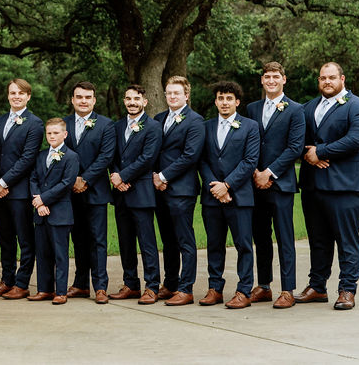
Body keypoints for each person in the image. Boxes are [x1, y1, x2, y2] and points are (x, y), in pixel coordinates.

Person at [296, 62, 359, 310]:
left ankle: (347, 289)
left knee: (346, 240)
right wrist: (308, 154)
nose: (327, 82)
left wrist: (322, 152)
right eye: (322, 78)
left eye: (331, 77)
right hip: (313, 185)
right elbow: (296, 140)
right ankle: (317, 286)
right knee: (318, 239)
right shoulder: (308, 107)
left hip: (346, 185)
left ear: (342, 78)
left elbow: (356, 139)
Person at [244, 62, 305, 309]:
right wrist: (255, 174)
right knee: (260, 235)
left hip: (281, 184)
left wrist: (269, 173)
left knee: (284, 236)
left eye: (276, 77)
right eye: (267, 76)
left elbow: (295, 148)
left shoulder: (296, 110)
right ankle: (264, 285)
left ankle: (287, 289)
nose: (271, 80)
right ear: (262, 80)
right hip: (255, 183)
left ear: (284, 79)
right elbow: (246, 141)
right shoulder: (251, 108)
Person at [198, 81, 259, 309]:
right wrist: (216, 187)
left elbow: (250, 160)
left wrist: (228, 186)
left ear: (237, 102)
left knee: (243, 244)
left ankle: (244, 290)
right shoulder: (205, 127)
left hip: (240, 197)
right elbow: (201, 159)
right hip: (212, 197)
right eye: (221, 98)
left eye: (229, 99)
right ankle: (215, 288)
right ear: (216, 101)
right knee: (214, 244)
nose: (225, 103)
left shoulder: (250, 127)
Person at [0, 78, 43, 300]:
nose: (16, 96)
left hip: (19, 191)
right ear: (8, 96)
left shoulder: (35, 123)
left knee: (25, 239)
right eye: (13, 93)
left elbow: (28, 158)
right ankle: (6, 279)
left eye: (21, 93)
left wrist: (4, 182)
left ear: (28, 96)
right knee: (5, 238)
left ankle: (22, 283)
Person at [108, 85, 163, 304]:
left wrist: (123, 177)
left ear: (145, 102)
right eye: (128, 98)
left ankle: (152, 286)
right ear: (124, 101)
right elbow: (111, 154)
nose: (132, 102)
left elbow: (148, 158)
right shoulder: (117, 126)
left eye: (136, 98)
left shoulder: (153, 127)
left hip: (140, 191)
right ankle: (130, 284)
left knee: (146, 241)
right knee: (125, 241)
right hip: (120, 193)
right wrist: (114, 174)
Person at [152, 75, 205, 306]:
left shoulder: (195, 121)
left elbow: (190, 156)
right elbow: (153, 150)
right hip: (158, 188)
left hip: (181, 189)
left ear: (186, 95)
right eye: (169, 93)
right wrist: (155, 177)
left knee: (184, 239)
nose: (172, 97)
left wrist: (164, 176)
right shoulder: (158, 118)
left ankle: (186, 288)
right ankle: (171, 283)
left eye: (176, 93)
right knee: (168, 239)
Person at [63, 81, 116, 304]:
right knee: (78, 239)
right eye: (79, 97)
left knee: (98, 240)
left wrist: (84, 179)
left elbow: (106, 156)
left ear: (94, 100)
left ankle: (100, 286)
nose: (83, 101)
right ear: (72, 100)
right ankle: (81, 284)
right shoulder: (63, 124)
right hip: (70, 191)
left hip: (95, 190)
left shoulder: (105, 125)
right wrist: (72, 180)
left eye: (87, 97)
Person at [27, 118, 79, 305]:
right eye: (49, 133)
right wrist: (38, 202)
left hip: (60, 213)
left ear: (64, 134)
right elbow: (33, 179)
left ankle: (61, 291)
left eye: (56, 133)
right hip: (41, 212)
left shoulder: (71, 156)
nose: (52, 136)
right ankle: (44, 289)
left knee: (60, 253)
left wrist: (45, 199)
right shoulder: (41, 156)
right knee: (42, 253)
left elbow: (66, 183)